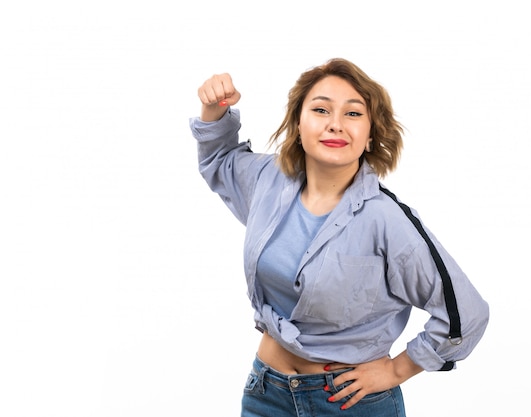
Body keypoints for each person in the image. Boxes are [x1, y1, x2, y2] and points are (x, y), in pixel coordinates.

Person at [190, 58, 489, 417]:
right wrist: (214, 110)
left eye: (353, 114)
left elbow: (467, 314)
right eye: (320, 109)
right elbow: (219, 161)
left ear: (371, 134)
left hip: (348, 404)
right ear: (298, 125)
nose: (335, 124)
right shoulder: (267, 181)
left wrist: (397, 369)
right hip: (266, 394)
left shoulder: (386, 220)